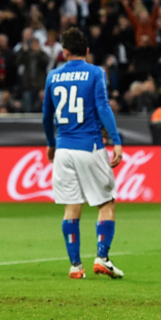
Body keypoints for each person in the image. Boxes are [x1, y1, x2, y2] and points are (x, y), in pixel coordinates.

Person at [42, 27, 124, 281]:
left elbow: (46, 116)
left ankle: (76, 266)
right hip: (89, 145)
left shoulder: (53, 76)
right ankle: (102, 257)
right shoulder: (95, 72)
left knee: (72, 205)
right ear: (87, 51)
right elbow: (102, 107)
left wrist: (51, 143)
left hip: (64, 148)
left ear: (64, 52)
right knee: (106, 202)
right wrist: (117, 141)